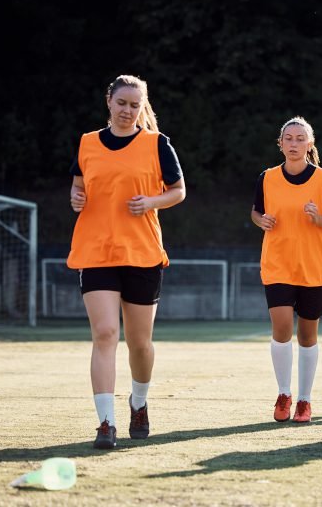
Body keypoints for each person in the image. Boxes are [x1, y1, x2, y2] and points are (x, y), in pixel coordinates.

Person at [67, 75, 186, 449]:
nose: (127, 110)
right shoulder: (87, 143)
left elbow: (178, 191)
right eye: (122, 103)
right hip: (96, 249)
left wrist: (150, 202)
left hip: (141, 251)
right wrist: (75, 196)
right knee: (104, 334)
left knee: (139, 343)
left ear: (142, 107)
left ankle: (139, 402)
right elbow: (78, 183)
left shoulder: (157, 143)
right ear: (109, 101)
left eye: (135, 105)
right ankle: (105, 422)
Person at [251, 116, 322, 423]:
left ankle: (305, 400)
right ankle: (284, 393)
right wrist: (261, 220)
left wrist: (320, 219)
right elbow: (256, 212)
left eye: (300, 139)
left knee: (307, 335)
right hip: (278, 263)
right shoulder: (267, 177)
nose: (294, 144)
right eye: (288, 139)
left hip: (314, 267)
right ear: (280, 144)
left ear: (310, 144)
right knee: (281, 330)